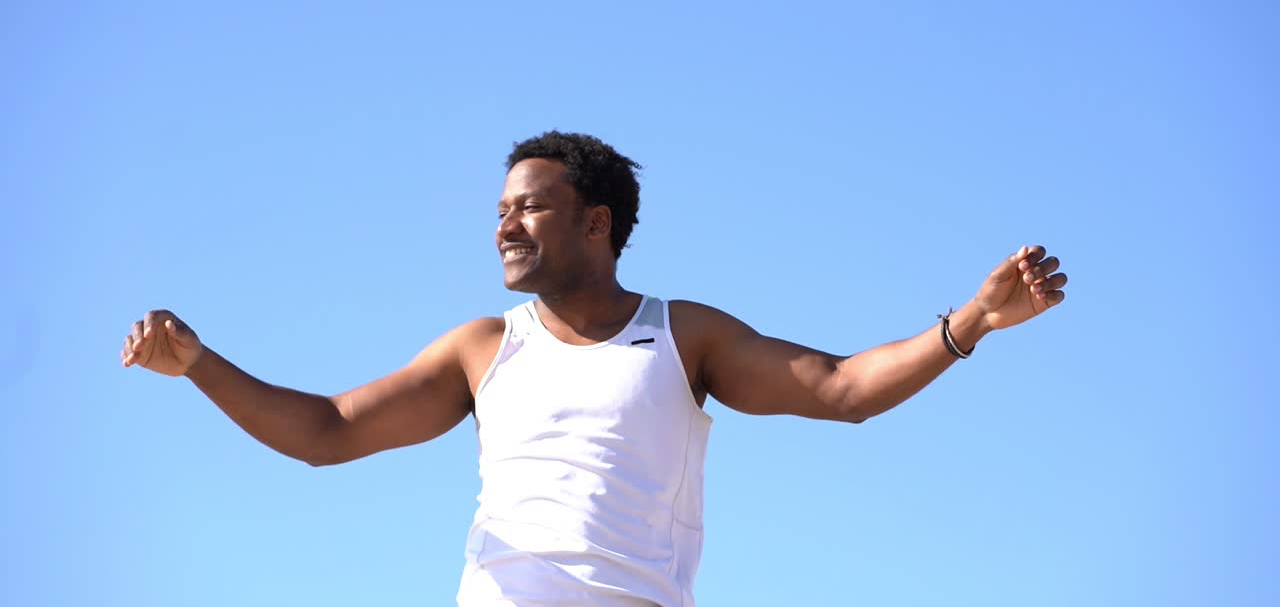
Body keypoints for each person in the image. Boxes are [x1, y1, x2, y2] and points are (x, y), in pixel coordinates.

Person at [120, 131, 1068, 607]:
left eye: (528, 207)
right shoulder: (481, 349)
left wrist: (974, 318)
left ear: (595, 223)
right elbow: (327, 433)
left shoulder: (682, 335)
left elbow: (840, 389)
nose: (503, 224)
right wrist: (198, 363)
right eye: (499, 207)